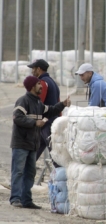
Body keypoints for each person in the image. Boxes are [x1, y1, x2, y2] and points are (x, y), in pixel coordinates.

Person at [10, 76, 71, 209]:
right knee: (18, 172)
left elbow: (50, 110)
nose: (41, 86)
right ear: (32, 86)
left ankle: (26, 200)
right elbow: (17, 118)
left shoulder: (38, 104)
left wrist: (63, 104)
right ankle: (15, 198)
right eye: (39, 84)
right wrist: (34, 122)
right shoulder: (23, 101)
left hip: (32, 144)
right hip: (21, 143)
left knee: (30, 173)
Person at [27, 59, 60, 167]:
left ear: (39, 69)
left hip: (45, 123)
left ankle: (61, 178)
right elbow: (58, 103)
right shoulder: (53, 82)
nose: (32, 71)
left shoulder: (42, 83)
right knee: (34, 151)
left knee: (55, 155)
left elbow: (38, 104)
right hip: (52, 122)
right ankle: (23, 174)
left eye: (33, 69)